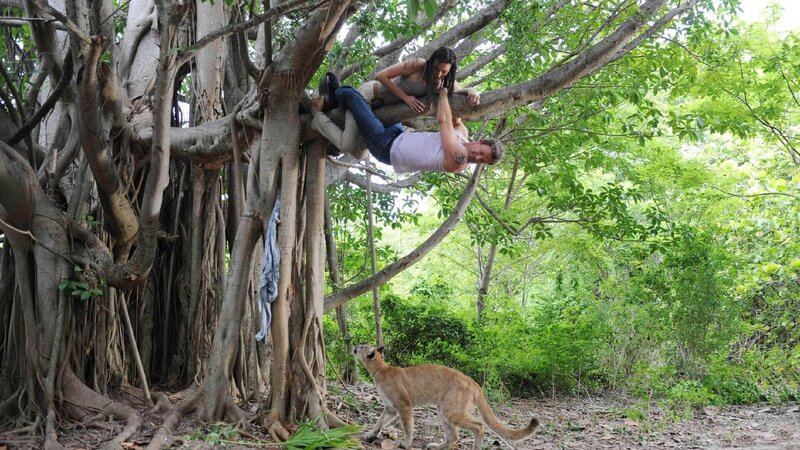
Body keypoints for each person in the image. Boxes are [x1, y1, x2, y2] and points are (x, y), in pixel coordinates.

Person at [312, 72, 503, 174]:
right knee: (375, 104)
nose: (476, 158)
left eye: (481, 161)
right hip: (398, 134)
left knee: (352, 97)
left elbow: (443, 120)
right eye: (481, 153)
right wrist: (469, 90)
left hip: (386, 147)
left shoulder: (459, 159)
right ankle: (341, 106)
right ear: (481, 141)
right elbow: (455, 111)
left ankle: (334, 92)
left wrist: (443, 93)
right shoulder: (462, 133)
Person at [313, 46, 480, 159]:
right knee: (346, 144)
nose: (439, 74)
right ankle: (316, 115)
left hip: (383, 112)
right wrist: (406, 98)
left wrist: (472, 90)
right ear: (431, 62)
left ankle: (333, 100)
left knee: (361, 154)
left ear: (450, 71)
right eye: (437, 68)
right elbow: (381, 76)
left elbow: (460, 90)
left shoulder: (443, 81)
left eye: (444, 71)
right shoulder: (417, 65)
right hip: (368, 96)